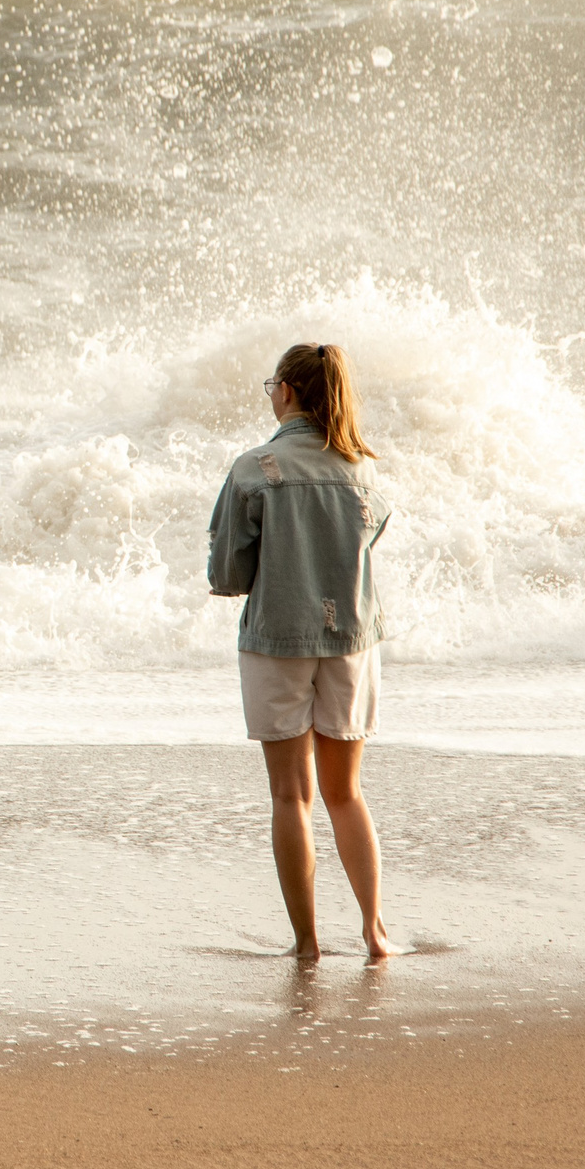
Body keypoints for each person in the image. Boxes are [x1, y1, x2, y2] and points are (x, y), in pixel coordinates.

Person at [206, 341, 405, 961]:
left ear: (287, 392)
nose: (271, 395)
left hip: (277, 639)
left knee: (291, 795)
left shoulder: (254, 468)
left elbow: (228, 575)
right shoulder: (364, 471)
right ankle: (374, 932)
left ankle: (307, 942)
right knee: (346, 793)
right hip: (351, 640)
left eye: (273, 386)